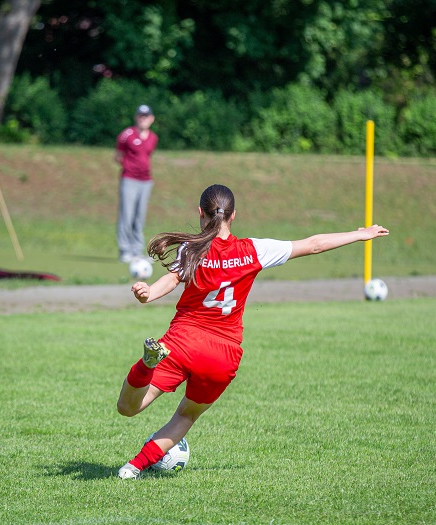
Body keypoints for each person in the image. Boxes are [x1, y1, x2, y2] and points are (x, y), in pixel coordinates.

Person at [115, 184, 390, 479]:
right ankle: (133, 469)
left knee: (128, 407)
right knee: (186, 414)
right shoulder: (253, 250)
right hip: (223, 356)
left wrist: (147, 295)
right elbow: (314, 244)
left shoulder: (191, 248)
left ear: (200, 213)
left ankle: (146, 364)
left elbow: (170, 281)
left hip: (184, 341)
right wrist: (360, 234)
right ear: (233, 215)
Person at [114, 104, 158, 263]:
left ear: (151, 119)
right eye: (140, 115)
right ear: (136, 117)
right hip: (130, 179)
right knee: (127, 215)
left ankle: (136, 250)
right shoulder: (127, 134)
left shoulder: (153, 137)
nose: (143, 119)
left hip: (146, 181)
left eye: (146, 116)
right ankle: (125, 250)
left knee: (139, 216)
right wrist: (129, 166)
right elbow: (118, 155)